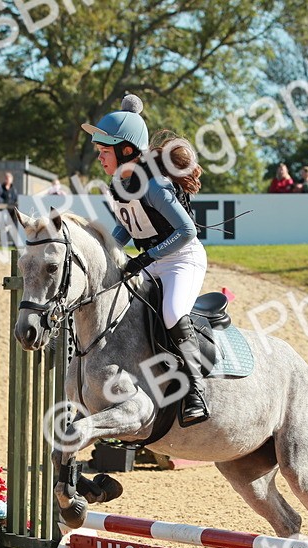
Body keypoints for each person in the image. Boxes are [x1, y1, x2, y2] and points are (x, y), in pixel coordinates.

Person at [82, 94, 209, 425]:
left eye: (104, 151)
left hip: (183, 258)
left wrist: (147, 257)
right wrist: (110, 249)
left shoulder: (154, 185)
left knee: (171, 312)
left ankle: (196, 390)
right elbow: (126, 230)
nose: (99, 157)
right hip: (152, 260)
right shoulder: (120, 183)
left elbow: (186, 231)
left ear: (126, 150)